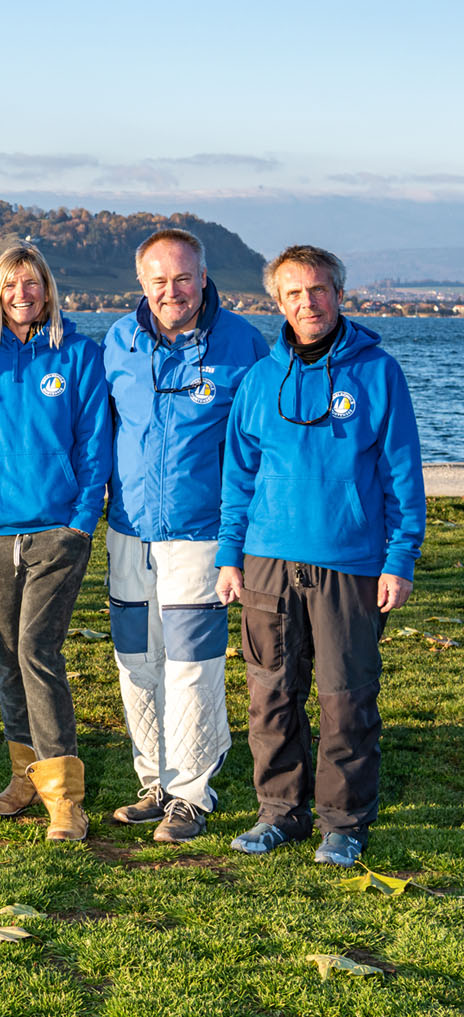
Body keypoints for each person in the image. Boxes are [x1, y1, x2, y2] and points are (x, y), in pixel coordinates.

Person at [217, 245, 425, 868]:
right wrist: (230, 556)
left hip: (351, 564)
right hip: (266, 564)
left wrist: (400, 557)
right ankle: (279, 813)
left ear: (339, 294)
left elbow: (401, 473)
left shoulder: (377, 372)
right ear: (276, 301)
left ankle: (344, 823)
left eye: (318, 290)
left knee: (345, 697)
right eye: (293, 293)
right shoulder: (258, 380)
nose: (307, 303)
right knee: (271, 694)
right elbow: (238, 479)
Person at [102, 229, 268, 843]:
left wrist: (241, 538)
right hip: (129, 531)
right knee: (136, 661)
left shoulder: (243, 346)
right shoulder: (118, 341)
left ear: (203, 277)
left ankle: (191, 795)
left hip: (201, 535)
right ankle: (155, 782)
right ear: (141, 283)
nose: (171, 291)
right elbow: (101, 429)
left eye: (182, 278)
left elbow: (256, 448)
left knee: (192, 666)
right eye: (158, 280)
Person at [0, 243, 111, 841]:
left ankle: (66, 799)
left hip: (56, 534)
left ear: (48, 288)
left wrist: (81, 522)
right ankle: (24, 779)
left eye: (33, 282)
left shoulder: (79, 355)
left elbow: (95, 447)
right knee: (8, 659)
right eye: (11, 284)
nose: (23, 294)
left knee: (37, 651)